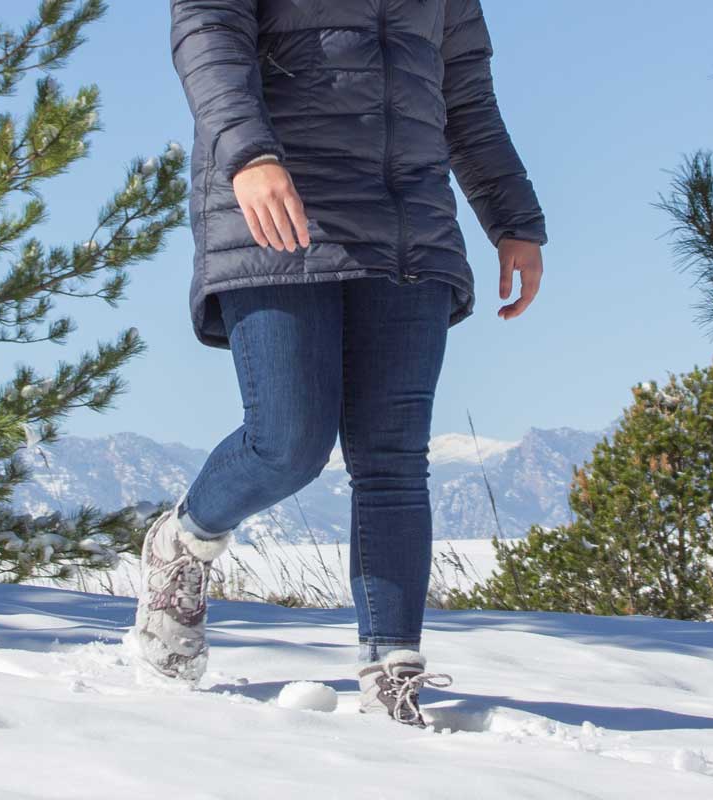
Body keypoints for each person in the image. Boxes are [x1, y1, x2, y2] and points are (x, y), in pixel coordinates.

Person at [135, 0, 548, 728]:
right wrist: (249, 155)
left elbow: (466, 95)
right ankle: (184, 543)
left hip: (408, 225)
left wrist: (512, 217)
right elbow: (208, 32)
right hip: (278, 208)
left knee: (393, 459)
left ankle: (394, 670)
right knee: (287, 442)